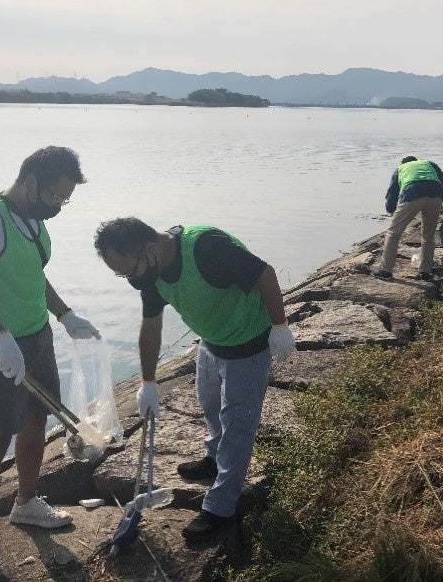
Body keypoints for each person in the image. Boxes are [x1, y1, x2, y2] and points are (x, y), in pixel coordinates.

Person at [0, 146, 100, 570]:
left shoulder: (32, 217)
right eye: (54, 195)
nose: (58, 205)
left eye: (65, 199)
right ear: (30, 181)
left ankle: (26, 502)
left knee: (35, 423)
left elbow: (32, 272)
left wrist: (65, 314)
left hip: (36, 336)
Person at [93, 218, 296, 543]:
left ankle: (221, 508)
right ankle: (214, 459)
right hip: (211, 342)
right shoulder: (152, 274)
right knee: (210, 404)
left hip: (248, 342)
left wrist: (280, 326)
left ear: (148, 247)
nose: (131, 279)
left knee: (238, 424)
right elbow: (151, 326)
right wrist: (148, 382)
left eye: (130, 270)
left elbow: (265, 274)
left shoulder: (207, 248)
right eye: (122, 275)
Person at [375, 156, 443, 281]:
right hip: (435, 195)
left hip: (412, 193)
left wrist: (391, 211)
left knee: (393, 233)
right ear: (416, 161)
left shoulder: (400, 168)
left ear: (403, 163)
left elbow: (392, 194)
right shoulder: (429, 164)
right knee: (428, 236)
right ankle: (425, 272)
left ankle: (386, 271)